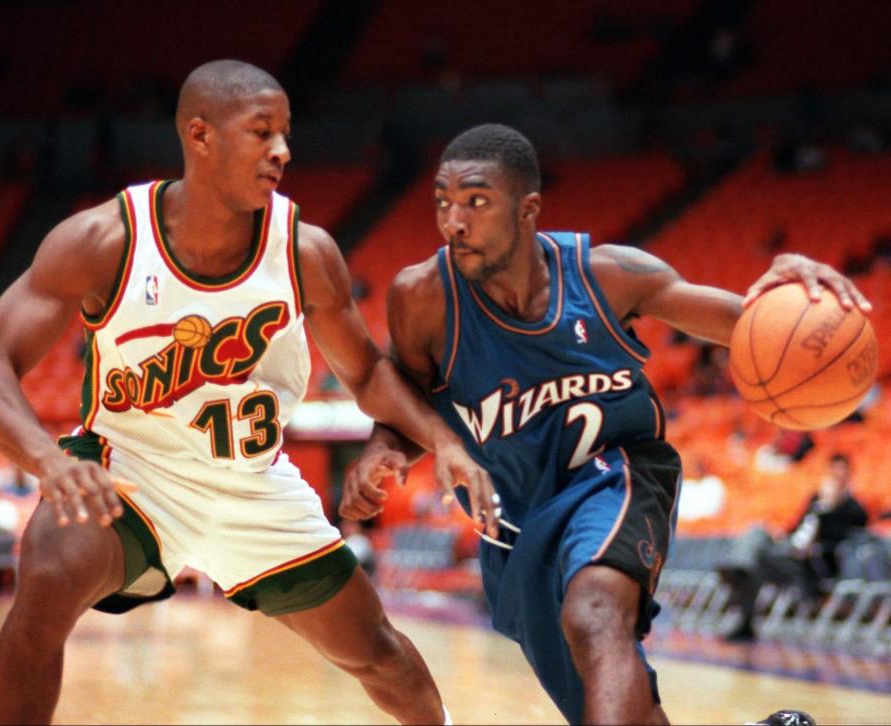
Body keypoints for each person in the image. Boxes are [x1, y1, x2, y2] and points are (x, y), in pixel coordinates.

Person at [0, 60, 499, 726]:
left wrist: (441, 441)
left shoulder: (304, 252)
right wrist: (49, 461)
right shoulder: (105, 241)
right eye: (262, 131)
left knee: (381, 655)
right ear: (201, 135)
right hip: (133, 476)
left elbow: (366, 375)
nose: (283, 150)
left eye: (286, 133)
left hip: (253, 485)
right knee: (45, 582)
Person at [339, 123, 870, 725]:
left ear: (527, 210)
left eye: (476, 201)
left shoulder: (609, 276)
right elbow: (410, 407)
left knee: (594, 613)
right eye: (443, 201)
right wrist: (382, 449)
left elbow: (755, 330)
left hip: (616, 477)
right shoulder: (422, 297)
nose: (453, 221)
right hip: (514, 530)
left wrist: (792, 294)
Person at [718, 453, 869, 642]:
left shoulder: (854, 509)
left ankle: (739, 570)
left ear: (848, 476)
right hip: (790, 552)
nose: (836, 477)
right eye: (833, 472)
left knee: (755, 561)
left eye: (841, 473)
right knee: (758, 530)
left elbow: (839, 540)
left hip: (812, 564)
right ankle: (740, 570)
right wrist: (782, 535)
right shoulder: (815, 499)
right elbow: (797, 529)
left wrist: (827, 507)